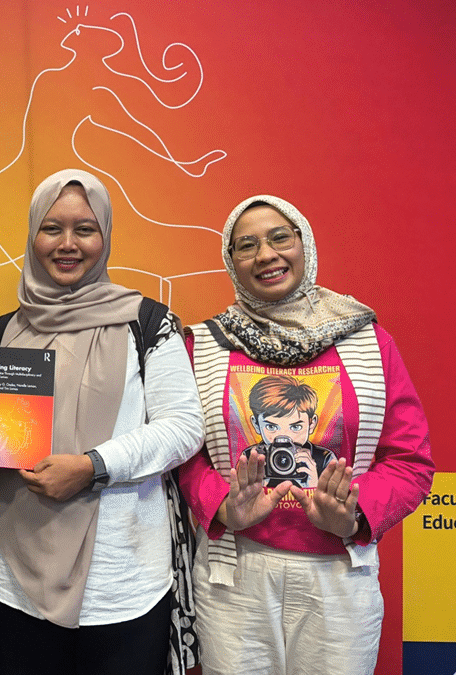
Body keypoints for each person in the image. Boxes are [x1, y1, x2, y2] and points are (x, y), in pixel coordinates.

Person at [178, 195, 433, 675]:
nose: (266, 255)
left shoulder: (367, 341)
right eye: (246, 245)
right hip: (233, 576)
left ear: (304, 244)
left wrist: (354, 513)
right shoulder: (204, 345)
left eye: (280, 238)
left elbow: (410, 461)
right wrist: (223, 505)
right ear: (231, 261)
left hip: (339, 575)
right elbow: (184, 455)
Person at [0, 169, 204, 675]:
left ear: (105, 236)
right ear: (33, 235)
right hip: (17, 575)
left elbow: (183, 427)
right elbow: (6, 437)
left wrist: (93, 466)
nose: (67, 244)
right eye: (51, 228)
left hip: (121, 580)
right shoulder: (5, 330)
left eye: (85, 229)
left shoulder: (147, 322)